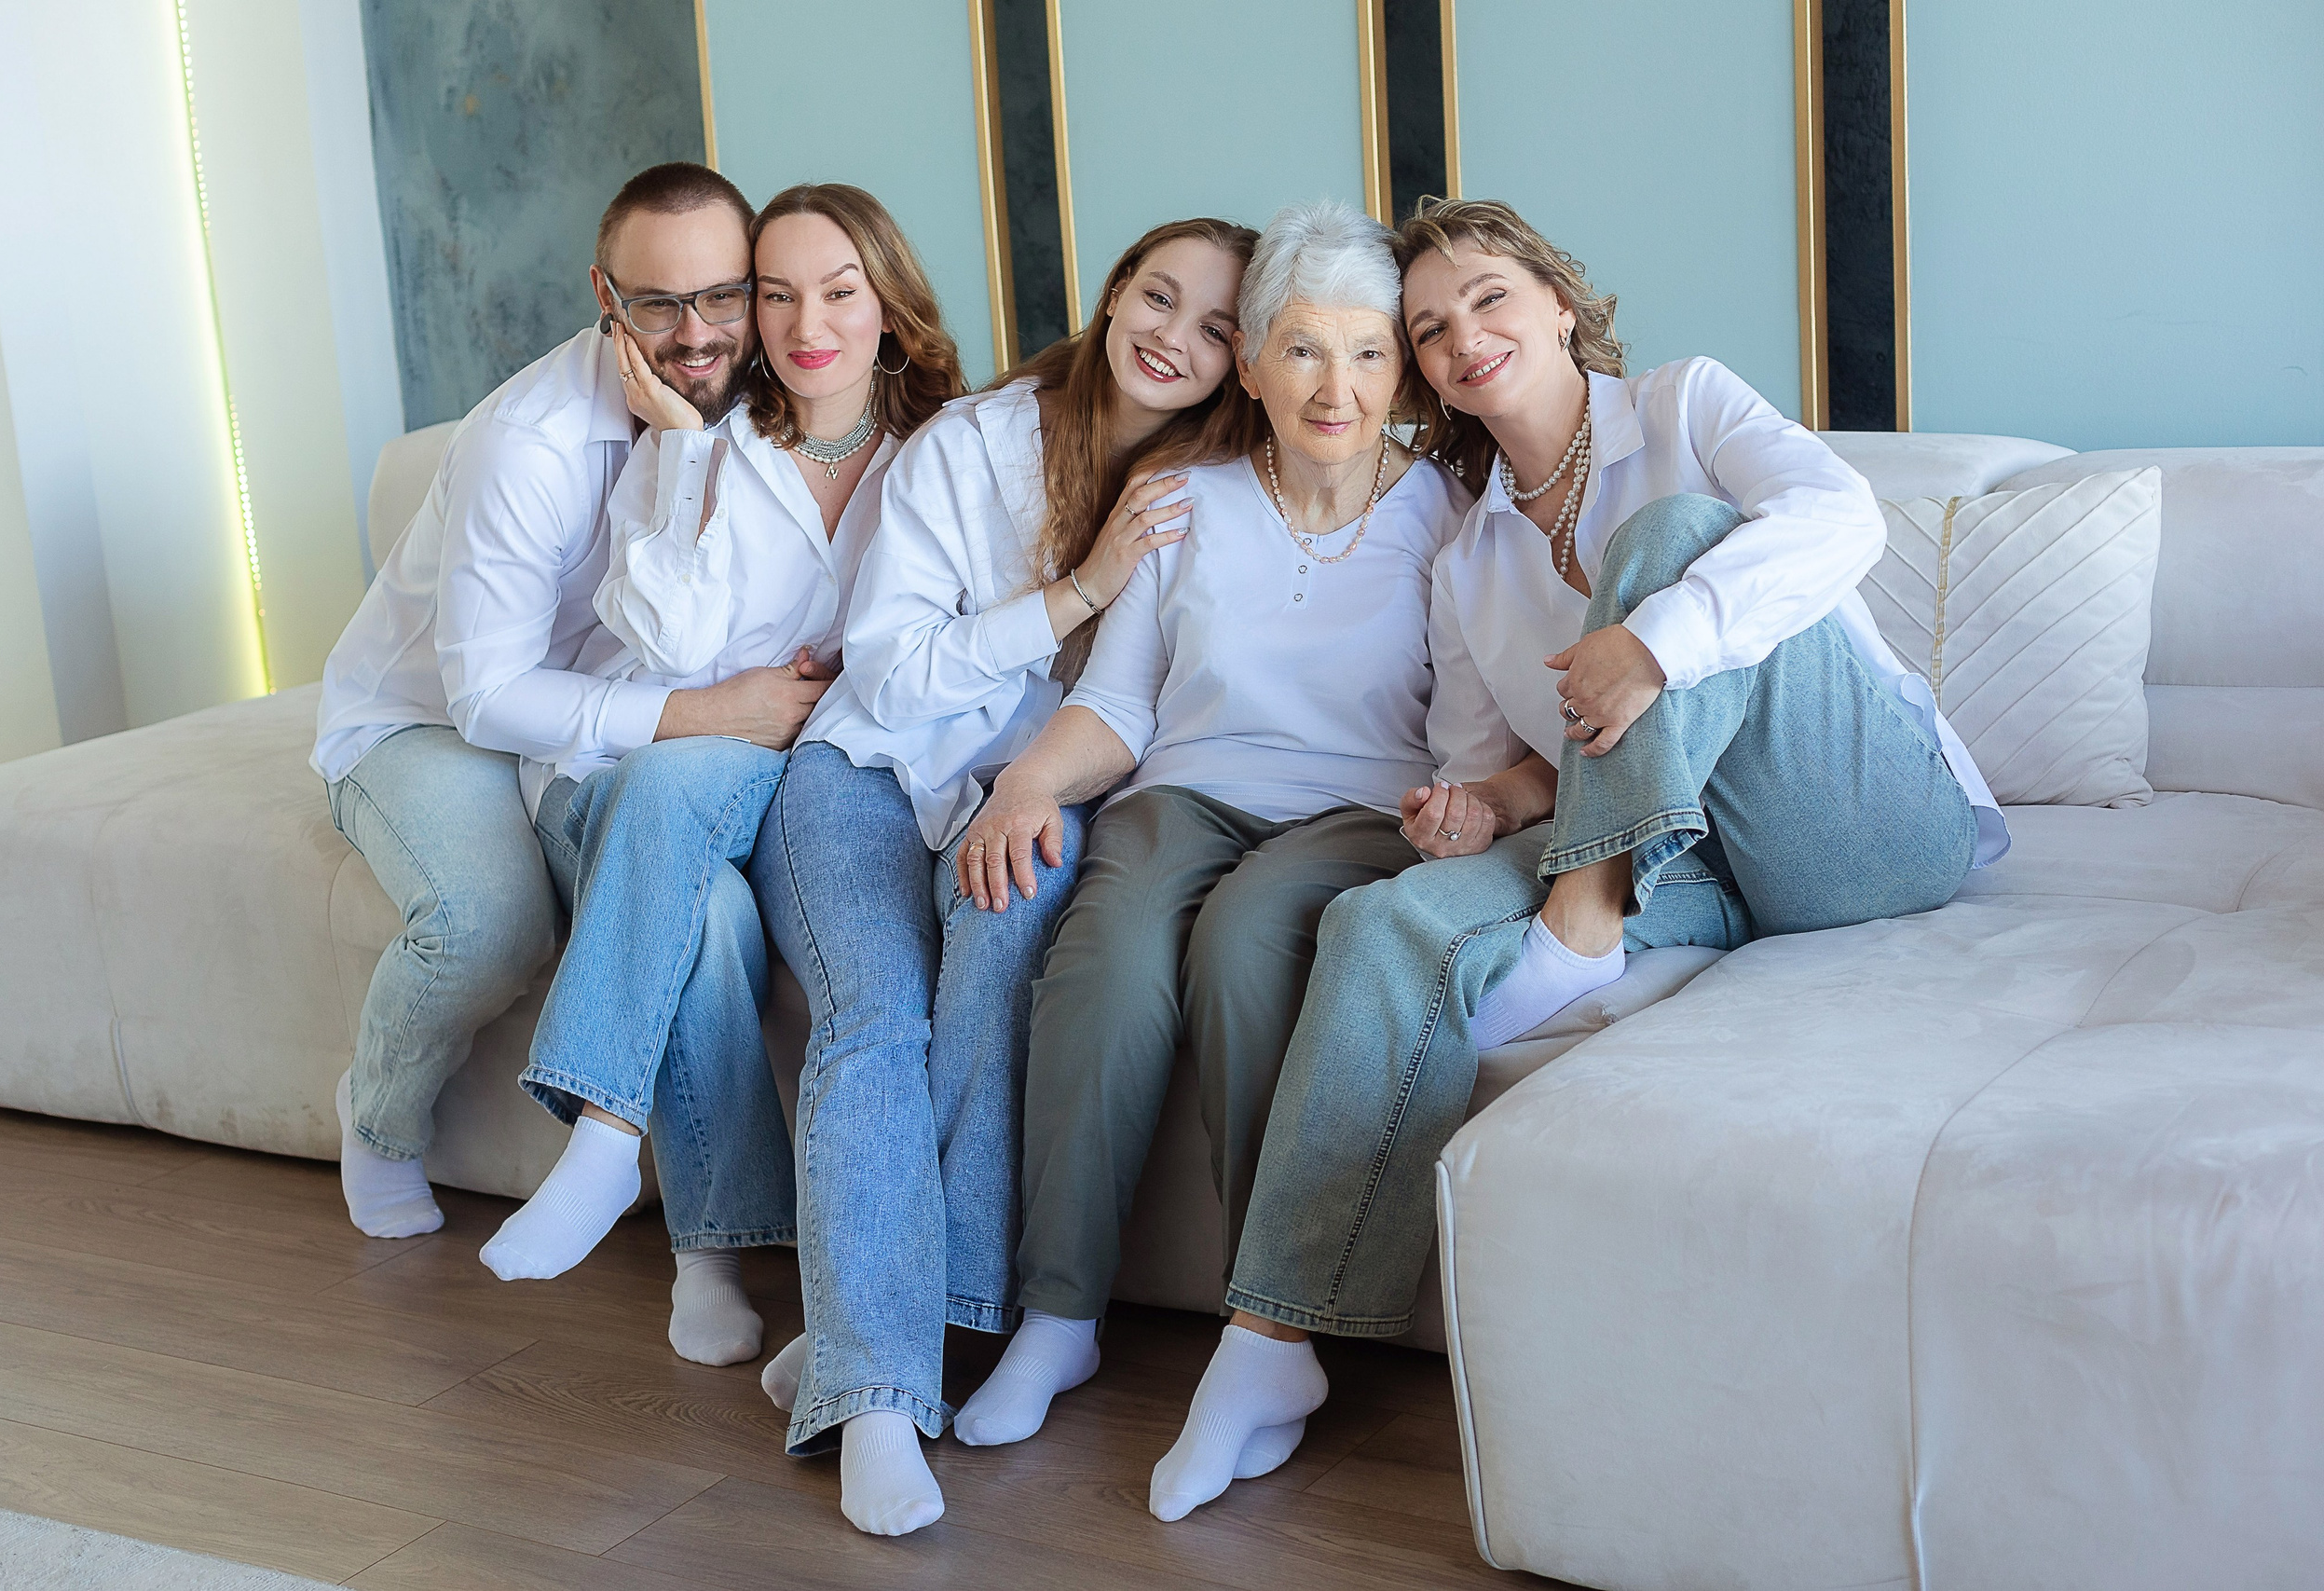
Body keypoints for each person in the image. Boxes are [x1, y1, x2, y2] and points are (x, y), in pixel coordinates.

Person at [1171, 197, 2010, 1518]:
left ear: (1561, 300)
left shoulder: (1686, 406)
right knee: (1383, 922)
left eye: (1492, 297)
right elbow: (1503, 764)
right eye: (1431, 328)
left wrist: (1656, 633)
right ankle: (1270, 1341)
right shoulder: (1466, 556)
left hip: (1862, 829)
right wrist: (1474, 808)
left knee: (1668, 539)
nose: (1463, 338)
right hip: (1688, 861)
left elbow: (1842, 518)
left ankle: (1577, 923)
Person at [947, 202, 1472, 1512]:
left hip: (1359, 810)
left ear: (1399, 370)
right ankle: (1059, 1316)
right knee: (1110, 952)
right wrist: (1024, 780)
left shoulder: (1445, 517)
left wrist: (1465, 810)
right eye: (1300, 350)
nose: (1333, 387)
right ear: (1250, 366)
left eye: (1364, 353)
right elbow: (1118, 703)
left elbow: (1467, 730)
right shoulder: (1187, 502)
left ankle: (1270, 1330)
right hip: (1182, 796)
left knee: (1249, 942)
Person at [747, 217, 1260, 1536]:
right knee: (873, 1016)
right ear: (1110, 293)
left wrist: (1037, 780)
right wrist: (1080, 588)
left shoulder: (1219, 487)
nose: (1175, 337)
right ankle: (877, 1398)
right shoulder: (970, 443)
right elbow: (890, 667)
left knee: (1005, 932)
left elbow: (1152, 707)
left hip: (1028, 797)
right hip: (863, 772)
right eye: (1159, 296)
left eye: (1215, 325)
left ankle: (882, 1312)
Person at [476, 185, 964, 1367]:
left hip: (833, 782)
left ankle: (606, 1134)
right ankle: (696, 1239)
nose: (804, 323)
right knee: (698, 895)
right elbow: (675, 659)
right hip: (700, 759)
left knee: (675, 793)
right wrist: (690, 456)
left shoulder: (945, 456)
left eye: (839, 293)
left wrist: (835, 689)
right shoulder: (701, 445)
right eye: (777, 293)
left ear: (888, 305)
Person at [311, 163, 788, 1241]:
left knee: (705, 910)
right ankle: (377, 1117)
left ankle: (714, 1253)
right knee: (492, 922)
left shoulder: (758, 401)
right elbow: (489, 698)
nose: (698, 333)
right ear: (603, 294)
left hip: (591, 723)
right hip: (427, 721)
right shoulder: (524, 445)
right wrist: (712, 715)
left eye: (722, 296)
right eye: (659, 303)